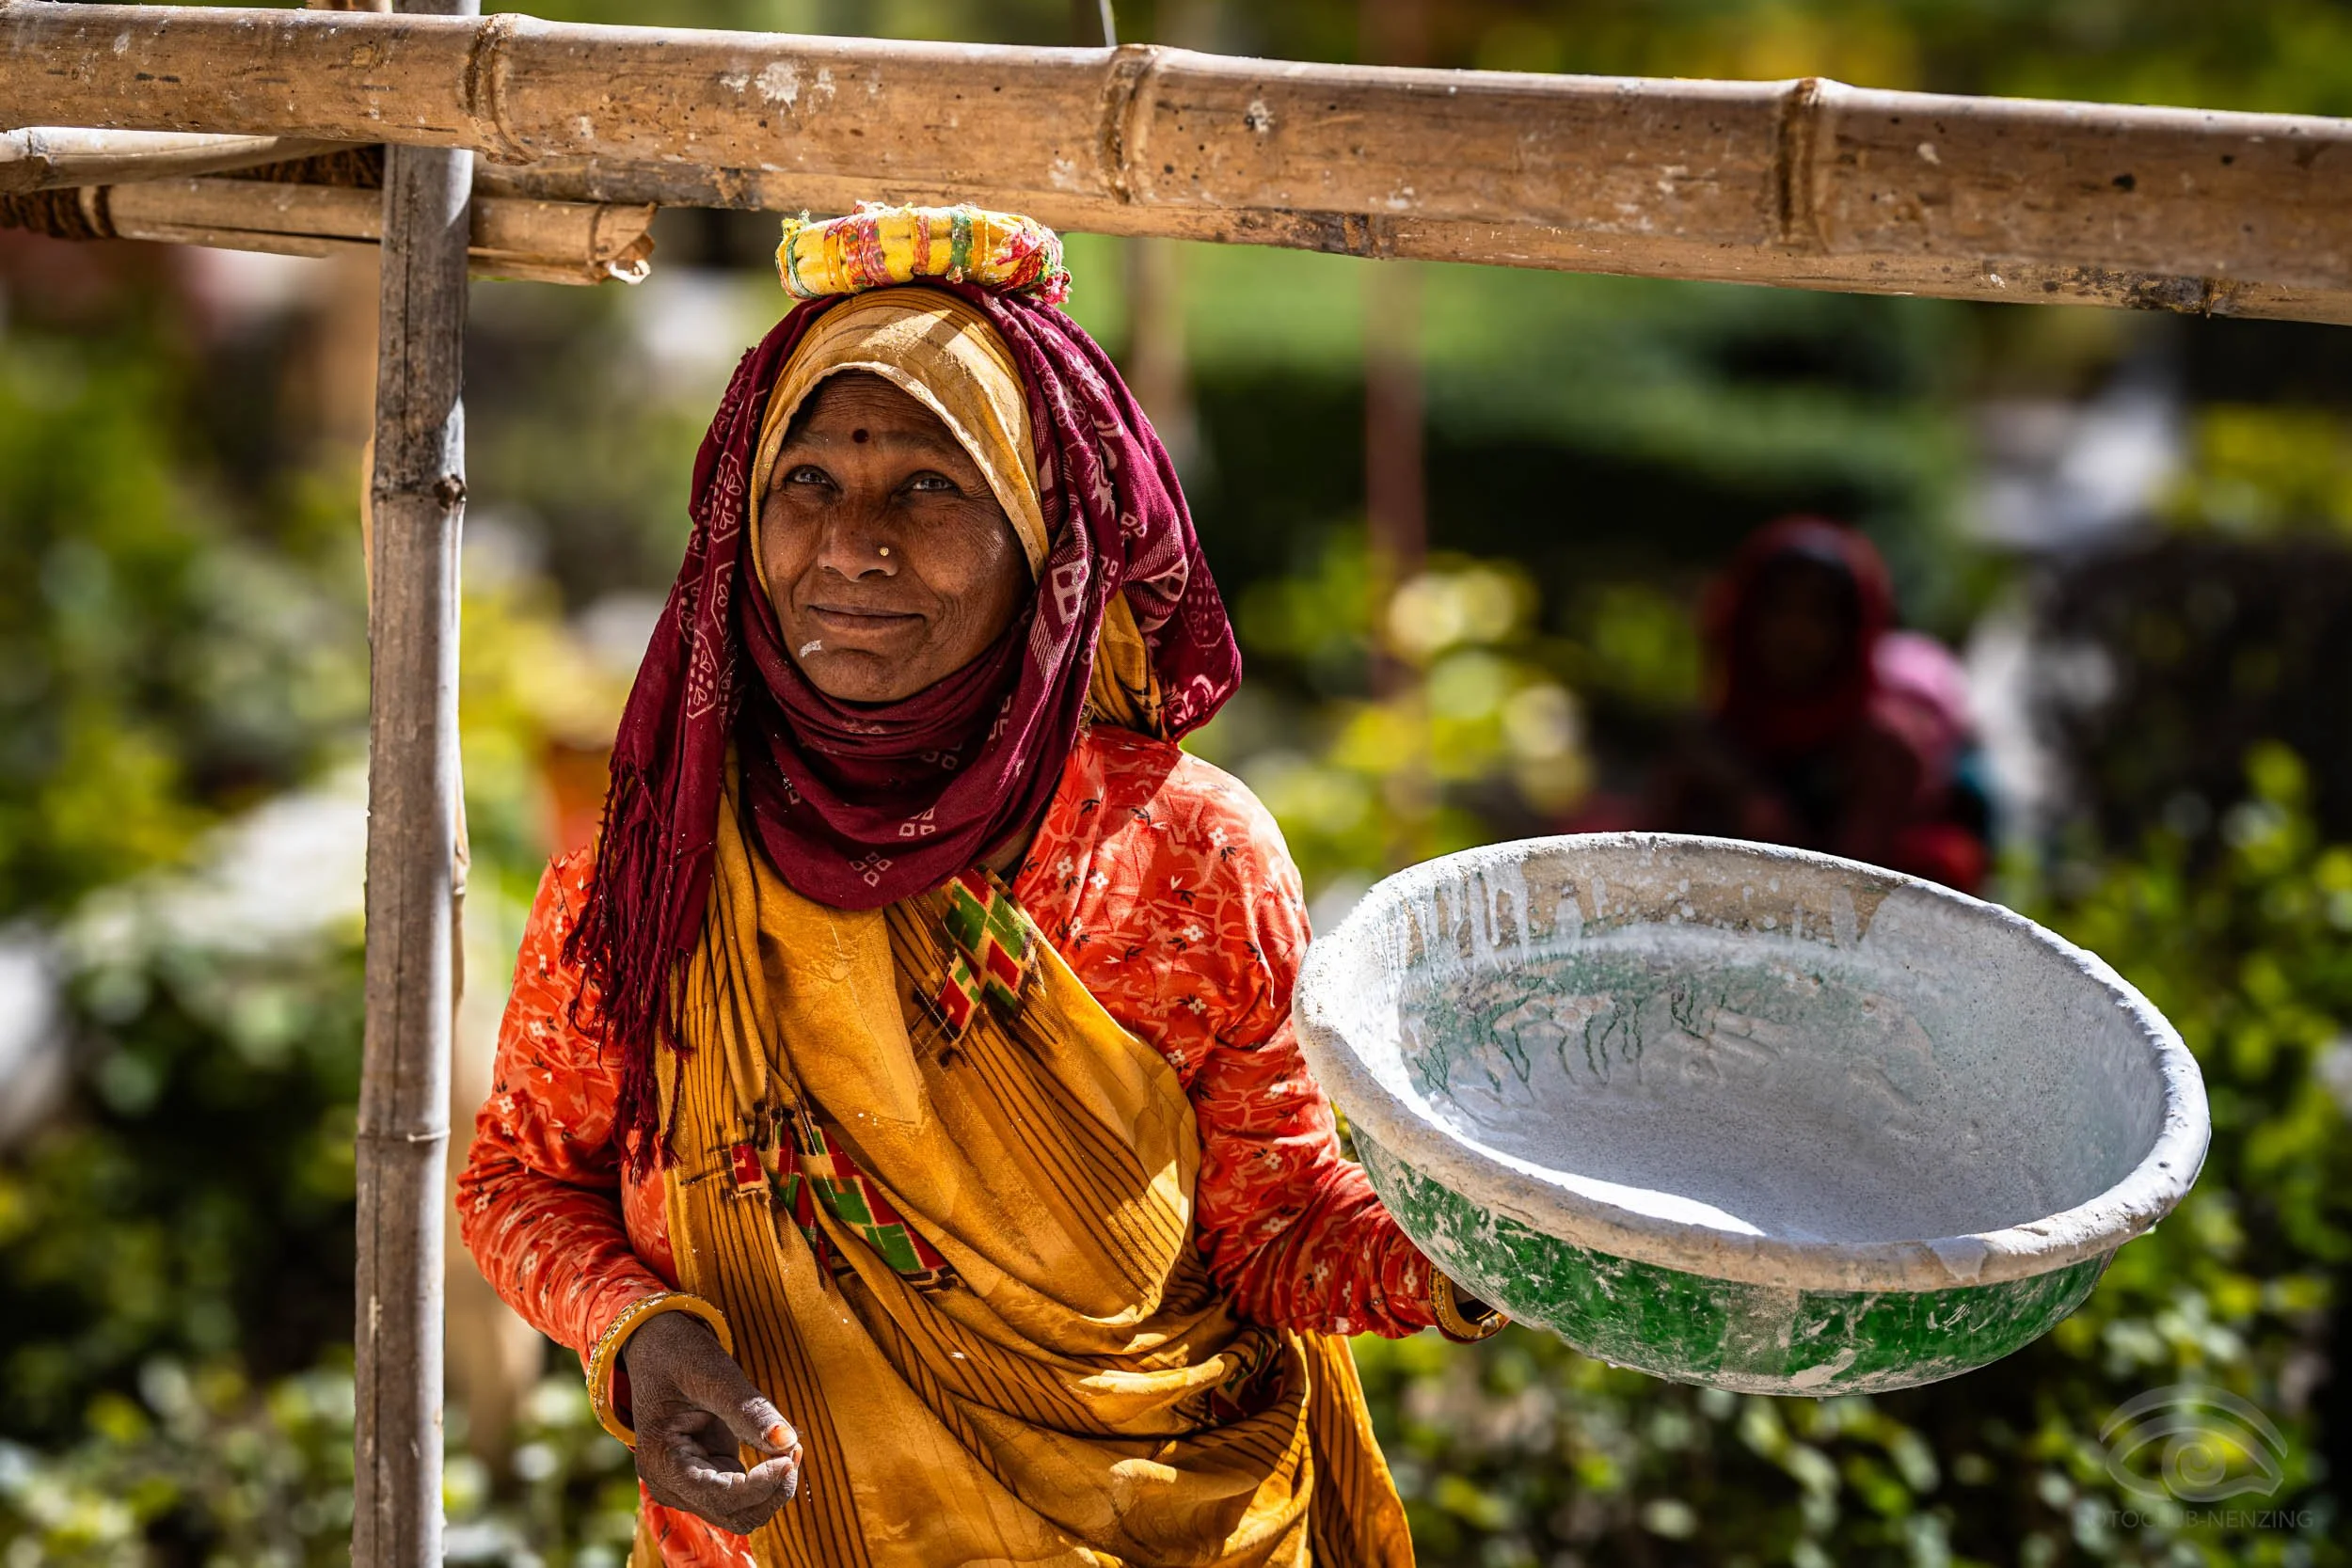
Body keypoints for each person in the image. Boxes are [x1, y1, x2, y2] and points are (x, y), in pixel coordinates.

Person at [458, 205, 1500, 1568]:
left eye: (933, 485)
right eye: (810, 481)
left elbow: (1275, 1227)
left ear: (1049, 538)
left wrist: (1494, 1246)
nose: (852, 546)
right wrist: (641, 1337)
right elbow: (523, 1178)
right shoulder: (655, 860)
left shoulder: (1185, 858)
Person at [1645, 516, 1992, 892]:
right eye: (1779, 608)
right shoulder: (1706, 739)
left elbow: (1850, 888)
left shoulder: (1882, 749)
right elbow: (1650, 865)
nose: (1796, 630)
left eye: (1819, 613)